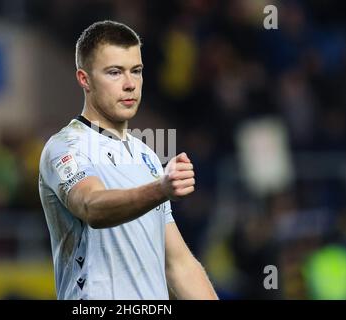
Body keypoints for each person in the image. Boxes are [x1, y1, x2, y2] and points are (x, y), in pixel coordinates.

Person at [39, 20, 218, 300]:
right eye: (114, 72)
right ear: (84, 79)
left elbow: (179, 265)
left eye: (136, 71)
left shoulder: (146, 155)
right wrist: (161, 189)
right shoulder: (65, 146)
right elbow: (91, 206)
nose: (130, 84)